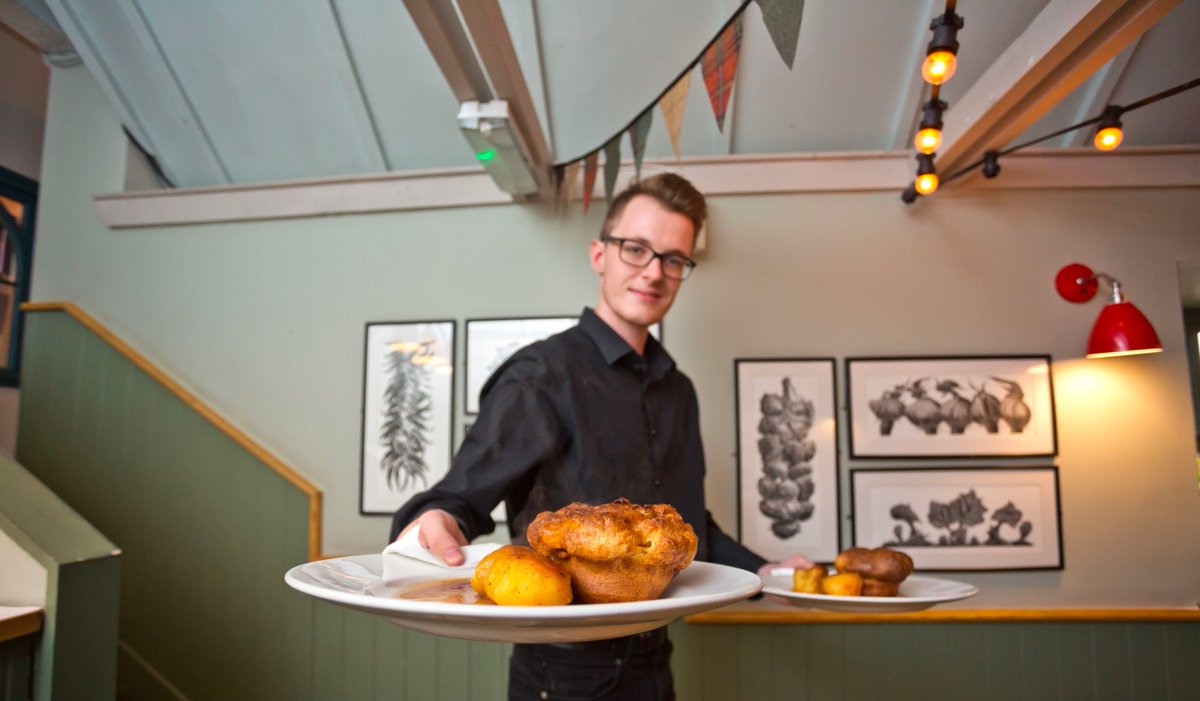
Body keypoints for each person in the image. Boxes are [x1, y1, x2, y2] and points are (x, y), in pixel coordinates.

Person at [389, 172, 810, 700]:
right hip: (562, 673)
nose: (654, 272)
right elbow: (459, 496)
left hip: (657, 659)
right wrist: (437, 519)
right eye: (636, 249)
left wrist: (765, 571)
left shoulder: (679, 391)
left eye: (673, 259)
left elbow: (691, 522)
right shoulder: (541, 374)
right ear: (599, 255)